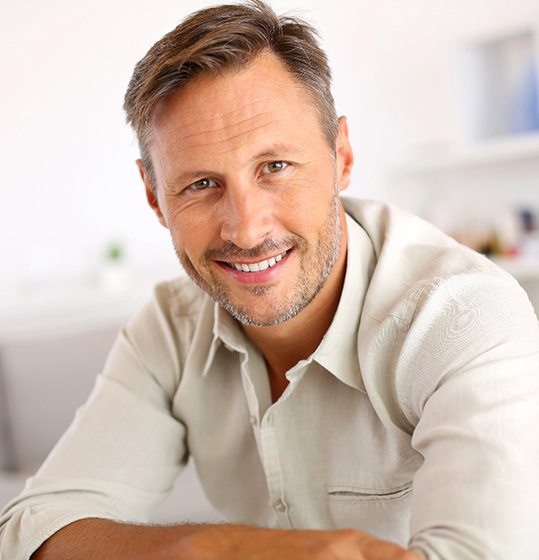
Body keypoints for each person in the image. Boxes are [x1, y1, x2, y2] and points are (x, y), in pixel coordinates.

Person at [1, 1, 538, 558]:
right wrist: (217, 549)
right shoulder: (170, 328)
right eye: (202, 183)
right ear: (153, 196)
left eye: (275, 167)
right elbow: (32, 530)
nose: (248, 227)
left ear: (342, 154)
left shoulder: (466, 316)